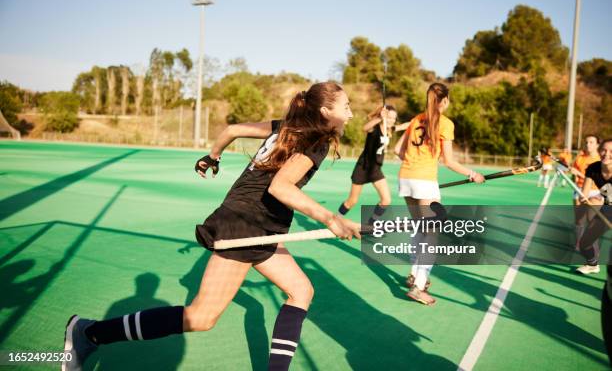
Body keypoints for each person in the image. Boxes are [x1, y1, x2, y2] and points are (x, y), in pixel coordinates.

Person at [62, 82, 361, 371]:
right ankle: (89, 333)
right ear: (324, 112)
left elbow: (231, 130)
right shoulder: (316, 141)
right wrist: (330, 218)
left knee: (301, 290)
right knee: (201, 317)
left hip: (259, 226)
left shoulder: (284, 125)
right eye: (346, 107)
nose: (350, 113)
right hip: (247, 226)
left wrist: (212, 156)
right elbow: (280, 188)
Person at [394, 82, 485, 306]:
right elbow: (449, 161)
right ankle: (418, 285)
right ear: (444, 101)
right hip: (424, 181)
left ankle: (415, 275)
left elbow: (398, 151)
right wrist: (473, 174)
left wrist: (414, 164)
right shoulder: (445, 123)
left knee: (419, 229)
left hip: (405, 177)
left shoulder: (416, 119)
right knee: (432, 235)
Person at [338, 105, 398, 223]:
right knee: (352, 201)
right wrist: (380, 118)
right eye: (389, 117)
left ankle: (370, 224)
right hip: (363, 168)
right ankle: (336, 219)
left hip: (375, 170)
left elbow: (406, 125)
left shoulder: (390, 129)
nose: (391, 120)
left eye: (394, 118)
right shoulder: (374, 128)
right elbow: (365, 128)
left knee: (386, 200)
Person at [575, 139, 611, 275]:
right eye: (604, 150)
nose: (607, 154)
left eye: (611, 151)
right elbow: (584, 193)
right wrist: (585, 198)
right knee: (584, 243)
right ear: (599, 150)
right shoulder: (593, 168)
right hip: (608, 209)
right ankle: (592, 264)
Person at [571, 135, 601, 249]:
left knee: (592, 221)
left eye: (591, 142)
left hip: (594, 192)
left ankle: (592, 248)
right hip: (579, 190)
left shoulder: (601, 159)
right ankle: (578, 242)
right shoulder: (580, 157)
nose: (588, 144)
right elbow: (574, 174)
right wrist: (574, 174)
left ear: (597, 145)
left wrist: (579, 174)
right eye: (587, 142)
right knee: (579, 221)